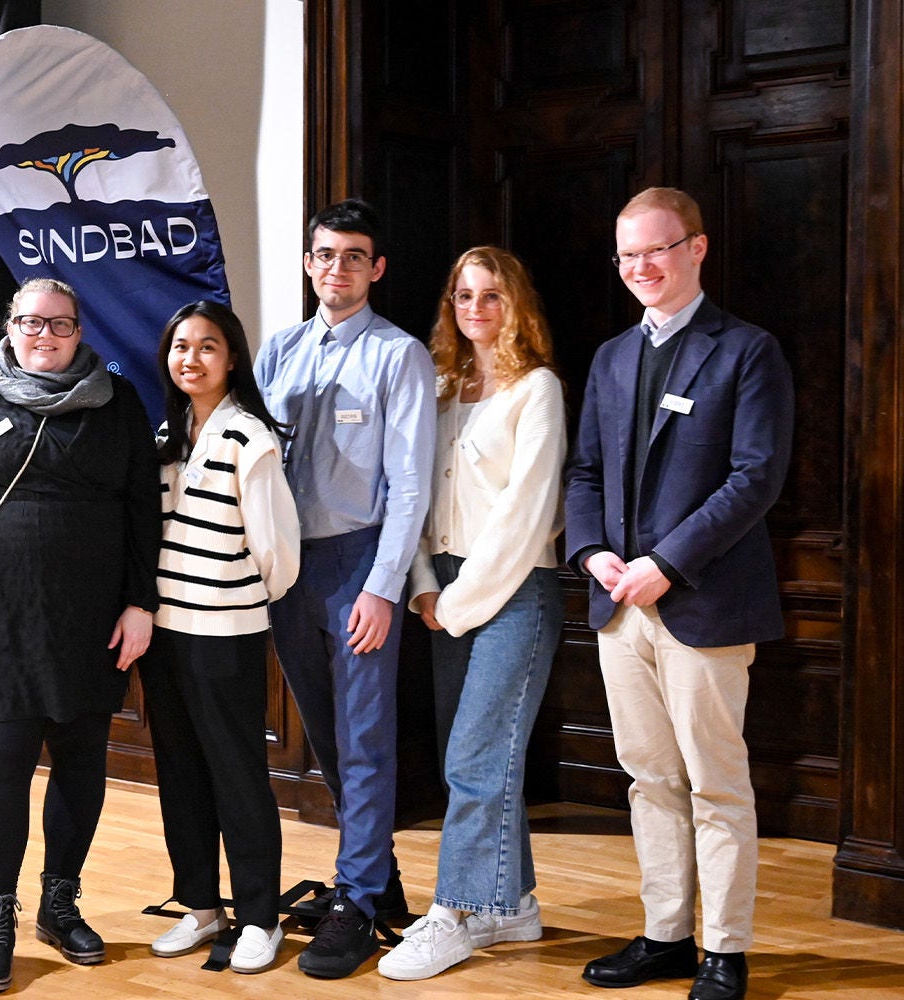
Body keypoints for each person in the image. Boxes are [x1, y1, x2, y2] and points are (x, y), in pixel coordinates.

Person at [565, 187, 794, 1000]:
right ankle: (666, 934)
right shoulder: (611, 358)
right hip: (619, 604)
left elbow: (755, 477)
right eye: (627, 255)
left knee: (716, 783)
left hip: (702, 602)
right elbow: (585, 471)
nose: (640, 268)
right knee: (649, 780)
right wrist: (592, 552)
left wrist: (666, 561)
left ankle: (724, 952)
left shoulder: (747, 351)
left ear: (696, 249)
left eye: (656, 251)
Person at [0, 277, 161, 994]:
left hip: (92, 616)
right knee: (3, 764)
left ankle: (60, 904)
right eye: (31, 322)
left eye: (59, 324)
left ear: (81, 331)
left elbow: (143, 508)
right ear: (10, 326)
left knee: (83, 760)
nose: (45, 335)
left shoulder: (118, 403)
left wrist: (139, 602)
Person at [253, 198, 437, 978]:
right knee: (325, 734)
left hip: (358, 563)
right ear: (309, 263)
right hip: (287, 567)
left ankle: (356, 900)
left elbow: (410, 484)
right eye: (326, 254)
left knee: (364, 740)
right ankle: (381, 874)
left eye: (354, 256)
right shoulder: (278, 352)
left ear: (377, 267)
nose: (338, 268)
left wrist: (383, 586)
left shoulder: (398, 357)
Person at [378, 246, 566, 980]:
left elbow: (528, 513)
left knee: (475, 758)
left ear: (515, 303)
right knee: (487, 757)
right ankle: (512, 903)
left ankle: (453, 910)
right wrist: (425, 584)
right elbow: (415, 495)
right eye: (463, 295)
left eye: (491, 295)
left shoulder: (536, 390)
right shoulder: (443, 388)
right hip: (446, 592)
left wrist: (454, 601)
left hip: (514, 591)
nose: (476, 309)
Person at [142, 301, 301, 974]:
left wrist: (232, 598)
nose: (192, 359)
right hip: (164, 634)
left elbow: (280, 555)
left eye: (208, 347)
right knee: (180, 774)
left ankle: (261, 917)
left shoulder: (248, 437)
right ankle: (202, 908)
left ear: (231, 357)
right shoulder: (166, 436)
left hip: (225, 633)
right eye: (181, 347)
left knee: (238, 776)